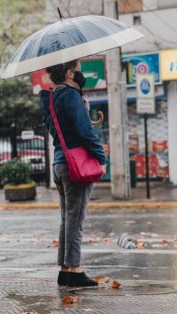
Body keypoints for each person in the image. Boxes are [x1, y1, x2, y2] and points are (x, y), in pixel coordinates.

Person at [39, 59, 107, 287]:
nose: (80, 74)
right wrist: (101, 157)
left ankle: (65, 269)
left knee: (67, 218)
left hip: (59, 164)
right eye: (78, 70)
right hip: (75, 165)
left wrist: (83, 109)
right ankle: (75, 270)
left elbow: (58, 131)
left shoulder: (51, 97)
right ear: (69, 73)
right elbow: (85, 131)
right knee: (75, 219)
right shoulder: (70, 95)